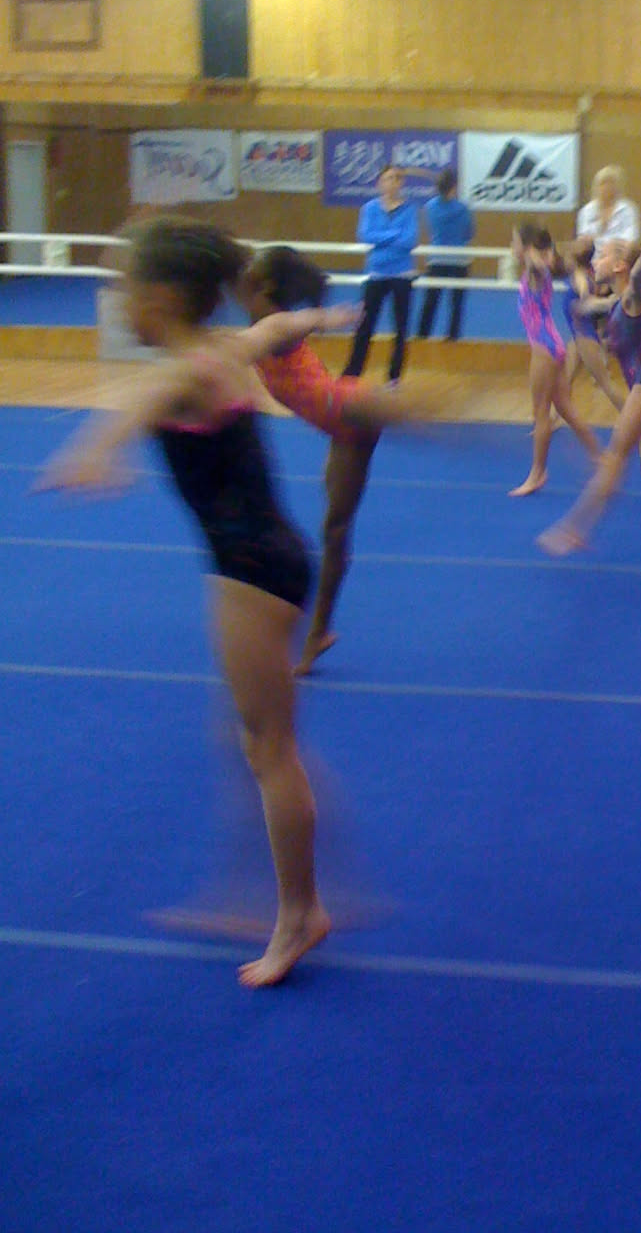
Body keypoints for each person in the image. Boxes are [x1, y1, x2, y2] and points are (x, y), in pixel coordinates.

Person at [37, 216, 330, 988]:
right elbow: (275, 327)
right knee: (252, 737)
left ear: (162, 297)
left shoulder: (179, 373)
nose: (116, 300)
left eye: (123, 285)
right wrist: (317, 318)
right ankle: (256, 892)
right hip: (273, 558)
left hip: (248, 574)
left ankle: (300, 914)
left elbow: (130, 414)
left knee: (270, 751)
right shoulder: (223, 348)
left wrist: (90, 454)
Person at [238, 245, 413, 676]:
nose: (239, 291)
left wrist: (322, 317)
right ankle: (318, 632)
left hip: (351, 413)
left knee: (336, 529)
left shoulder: (276, 325)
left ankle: (317, 631)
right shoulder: (264, 320)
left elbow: (290, 324)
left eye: (248, 282)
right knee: (334, 530)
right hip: (340, 420)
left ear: (265, 286)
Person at [537, 241, 641, 574]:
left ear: (620, 265)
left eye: (603, 256)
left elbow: (637, 279)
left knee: (613, 459)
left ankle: (577, 528)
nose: (596, 261)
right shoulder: (617, 303)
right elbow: (594, 307)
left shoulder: (632, 299)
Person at [510, 222, 602, 496]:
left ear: (527, 247)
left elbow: (539, 264)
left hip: (544, 348)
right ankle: (601, 458)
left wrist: (536, 252)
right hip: (553, 344)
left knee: (540, 414)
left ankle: (538, 473)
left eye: (515, 242)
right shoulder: (536, 270)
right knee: (565, 408)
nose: (511, 247)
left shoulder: (535, 271)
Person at [343, 162, 419, 383]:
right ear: (380, 183)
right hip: (376, 273)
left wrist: (382, 237)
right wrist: (394, 234)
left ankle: (394, 377)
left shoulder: (410, 209)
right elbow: (366, 235)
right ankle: (352, 374)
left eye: (397, 178)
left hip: (402, 275)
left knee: (401, 328)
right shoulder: (369, 209)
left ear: (402, 183)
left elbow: (409, 240)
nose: (393, 182)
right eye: (388, 178)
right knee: (365, 325)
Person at [561, 237, 625, 414]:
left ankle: (632, 416)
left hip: (584, 335)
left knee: (605, 384)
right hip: (577, 336)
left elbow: (586, 300)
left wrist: (605, 303)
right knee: (565, 380)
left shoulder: (581, 277)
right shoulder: (585, 275)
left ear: (574, 258)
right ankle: (553, 417)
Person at [417, 168, 475, 342]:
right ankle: (453, 338)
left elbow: (430, 229)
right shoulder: (463, 208)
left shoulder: (429, 207)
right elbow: (469, 233)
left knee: (430, 301)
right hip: (459, 260)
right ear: (454, 187)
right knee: (456, 303)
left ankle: (422, 337)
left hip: (436, 258)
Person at [576, 164, 640, 254]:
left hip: (619, 256)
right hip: (591, 257)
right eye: (603, 183)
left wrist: (607, 244)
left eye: (611, 183)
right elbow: (583, 240)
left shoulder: (628, 209)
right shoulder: (587, 210)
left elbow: (631, 239)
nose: (607, 187)